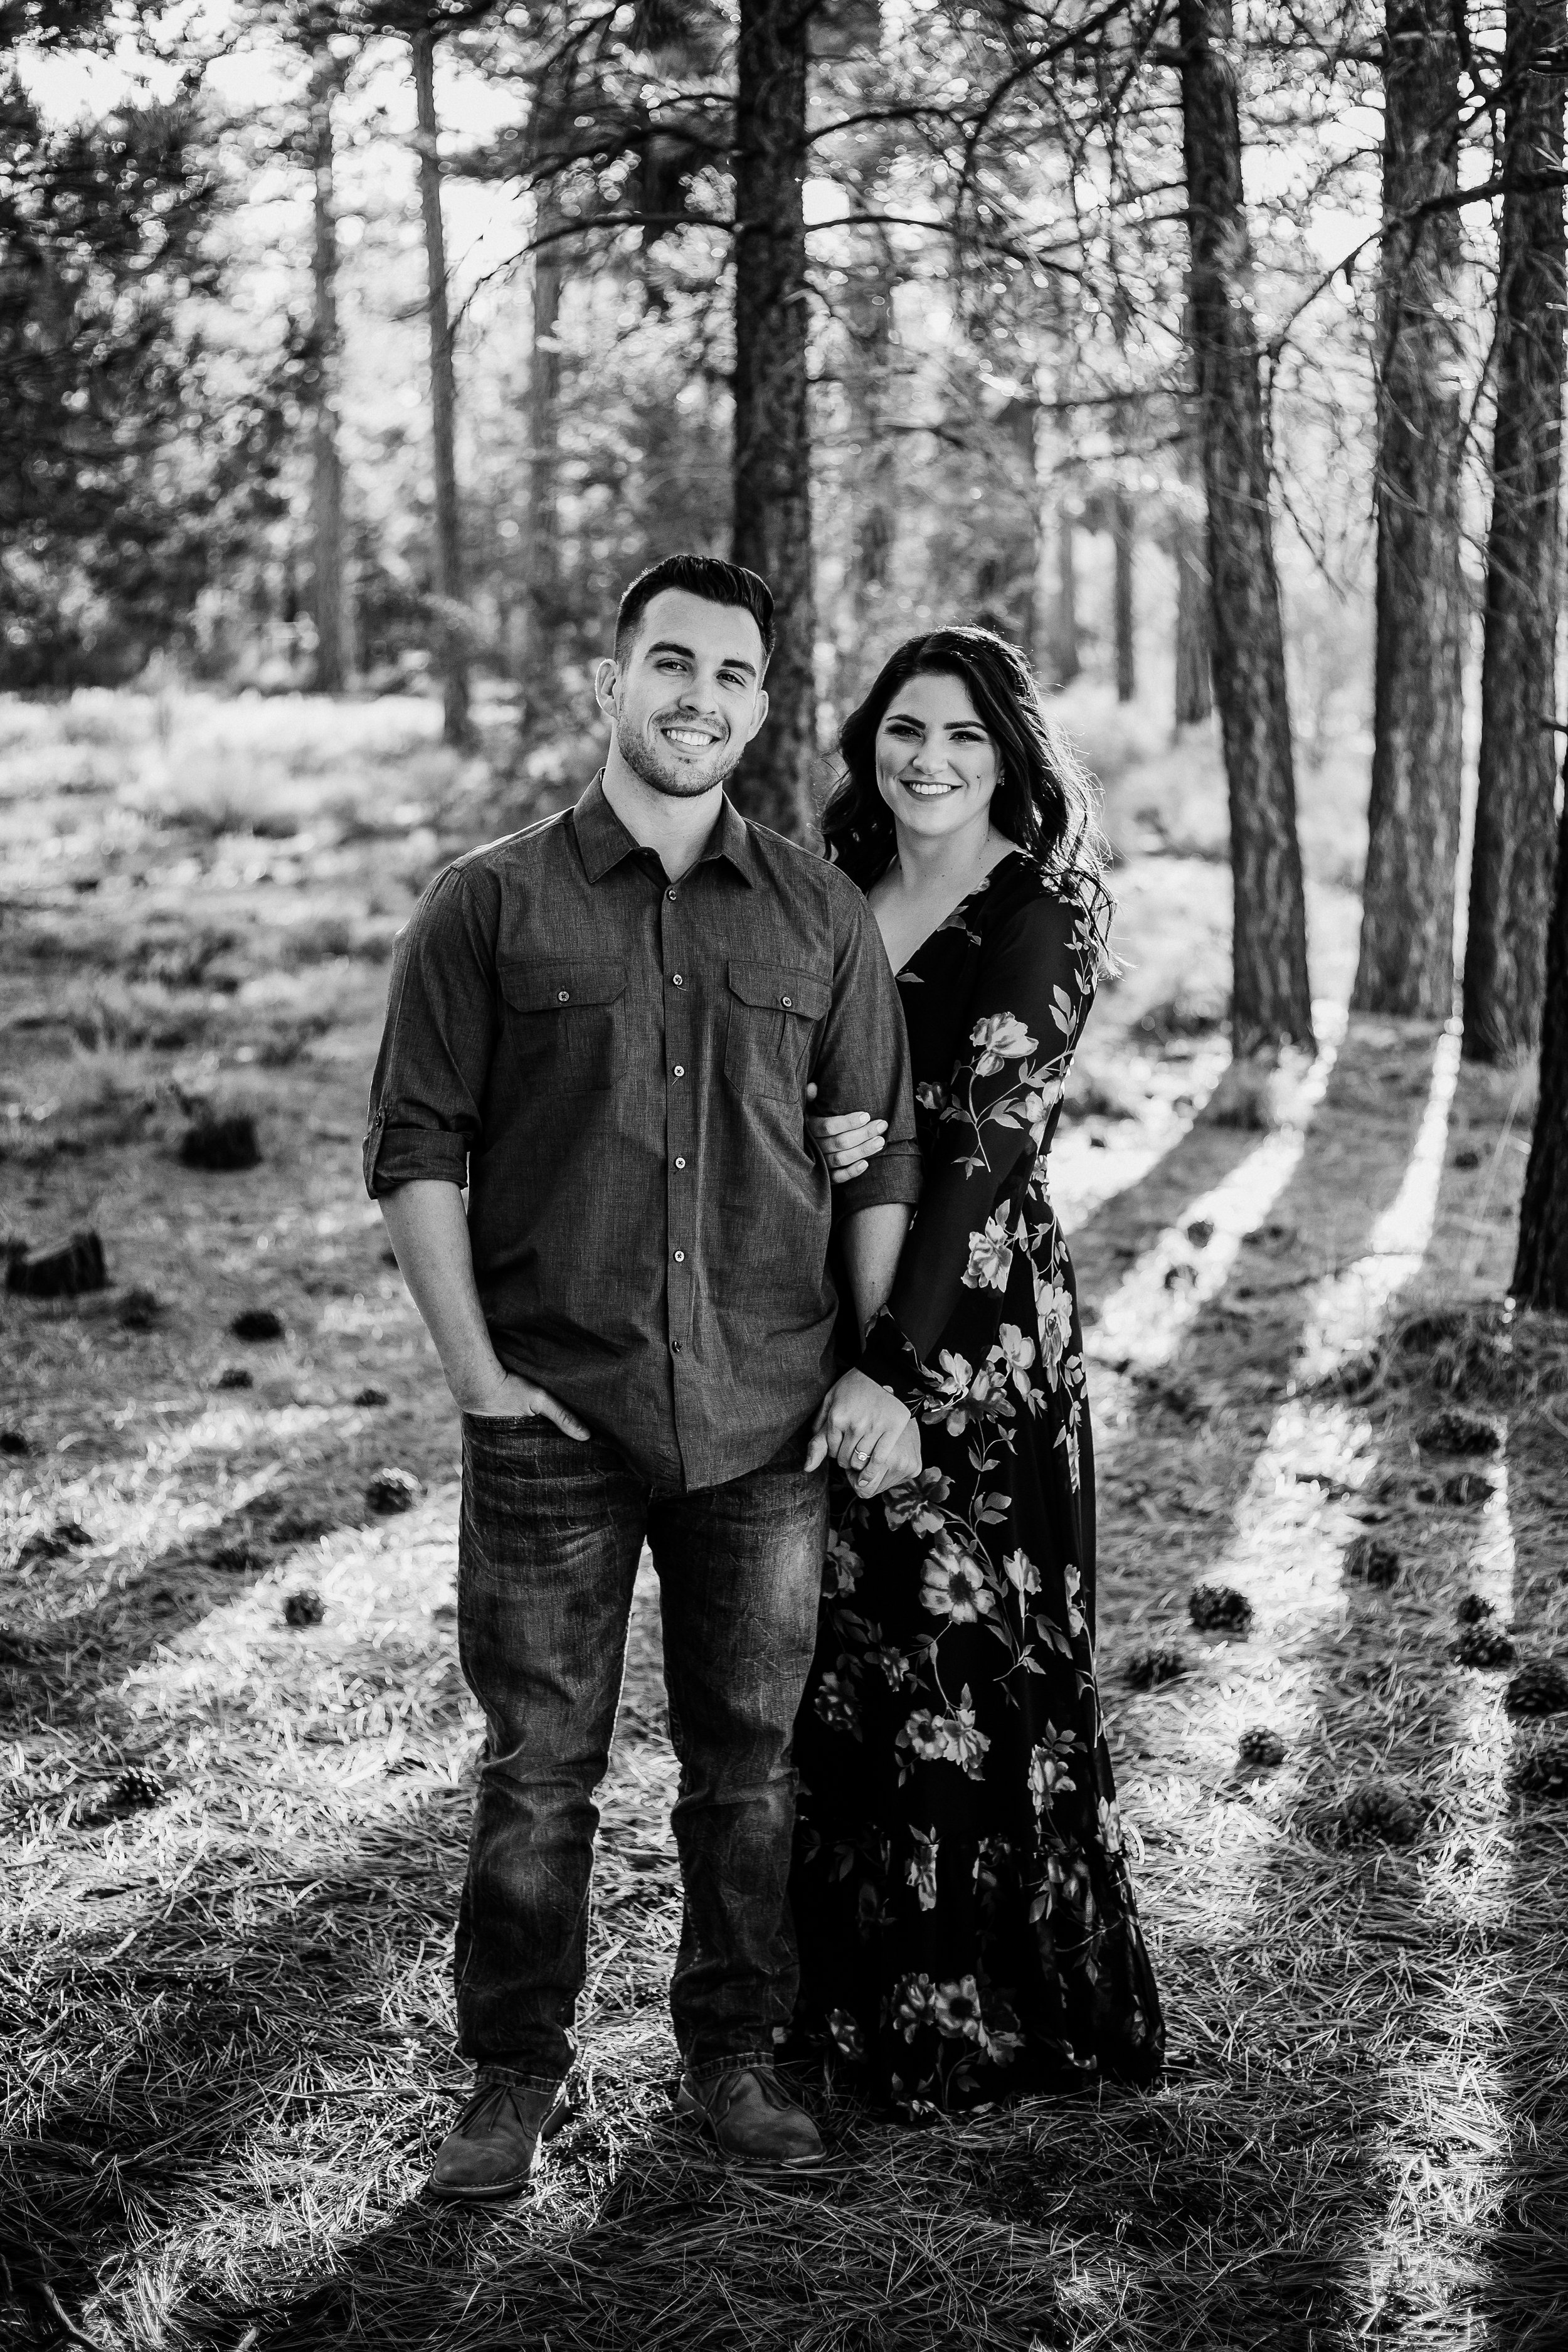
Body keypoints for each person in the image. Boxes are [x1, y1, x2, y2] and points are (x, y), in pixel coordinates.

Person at [363, 554, 926, 2200]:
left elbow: (879, 1165)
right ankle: (509, 2076)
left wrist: (873, 1365)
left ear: (761, 707)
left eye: (733, 674)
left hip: (763, 1417)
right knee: (539, 1772)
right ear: (614, 682)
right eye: (672, 662)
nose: (700, 696)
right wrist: (477, 1379)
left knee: (745, 1772)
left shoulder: (817, 914)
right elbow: (414, 1151)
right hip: (553, 1416)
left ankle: (733, 2054)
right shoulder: (488, 905)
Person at [787, 627, 1165, 2114]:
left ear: (1008, 757)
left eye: (960, 735)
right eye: (903, 730)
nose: (927, 759)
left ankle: (982, 2023)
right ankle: (844, 2003)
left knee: (967, 1652)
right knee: (852, 1660)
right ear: (866, 745)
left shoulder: (1041, 910)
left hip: (968, 1326)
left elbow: (979, 1150)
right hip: (819, 1300)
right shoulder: (829, 885)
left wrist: (894, 1366)